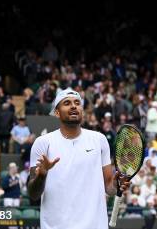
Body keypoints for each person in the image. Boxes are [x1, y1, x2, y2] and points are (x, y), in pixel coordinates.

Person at [27, 88, 129, 229]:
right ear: (57, 112)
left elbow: (109, 188)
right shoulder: (42, 143)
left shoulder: (99, 140)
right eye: (67, 103)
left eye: (77, 102)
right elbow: (33, 194)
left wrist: (116, 185)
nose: (74, 106)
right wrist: (41, 175)